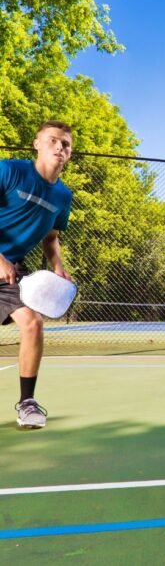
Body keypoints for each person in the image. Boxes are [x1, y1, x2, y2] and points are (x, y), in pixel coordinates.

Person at [0, 121, 74, 429]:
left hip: (11, 270)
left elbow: (51, 236)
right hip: (2, 261)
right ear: (37, 144)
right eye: (54, 140)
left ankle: (27, 404)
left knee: (32, 323)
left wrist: (56, 264)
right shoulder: (9, 171)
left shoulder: (63, 197)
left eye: (66, 144)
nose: (60, 147)